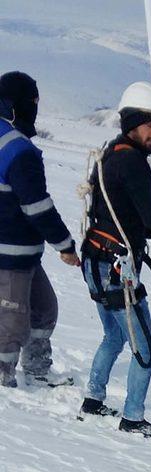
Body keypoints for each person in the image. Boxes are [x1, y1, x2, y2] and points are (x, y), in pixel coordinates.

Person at [79, 81, 151, 437]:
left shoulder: (113, 152)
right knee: (146, 348)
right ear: (133, 122)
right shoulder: (132, 163)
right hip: (117, 269)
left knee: (113, 336)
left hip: (95, 260)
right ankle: (132, 418)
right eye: (150, 123)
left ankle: (93, 399)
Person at [0, 71, 80, 389]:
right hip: (10, 253)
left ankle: (37, 369)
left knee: (44, 310)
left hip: (24, 252)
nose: (35, 108)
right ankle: (4, 383)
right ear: (14, 105)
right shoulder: (17, 149)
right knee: (12, 322)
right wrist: (64, 244)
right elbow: (37, 206)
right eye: (32, 102)